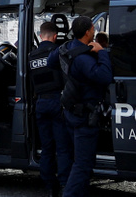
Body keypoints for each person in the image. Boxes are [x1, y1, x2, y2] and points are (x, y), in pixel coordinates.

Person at [49, 16, 112, 197]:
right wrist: (102, 52)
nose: (94, 32)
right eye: (93, 29)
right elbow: (104, 76)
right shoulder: (84, 58)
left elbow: (50, 62)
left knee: (74, 159)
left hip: (70, 111)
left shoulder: (67, 49)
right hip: (84, 115)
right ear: (88, 32)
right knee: (83, 164)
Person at [28, 21, 70, 197]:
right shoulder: (57, 52)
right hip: (56, 101)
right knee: (62, 147)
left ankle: (49, 185)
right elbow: (66, 79)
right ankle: (64, 183)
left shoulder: (31, 56)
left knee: (46, 148)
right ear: (54, 36)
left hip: (40, 104)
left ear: (40, 34)